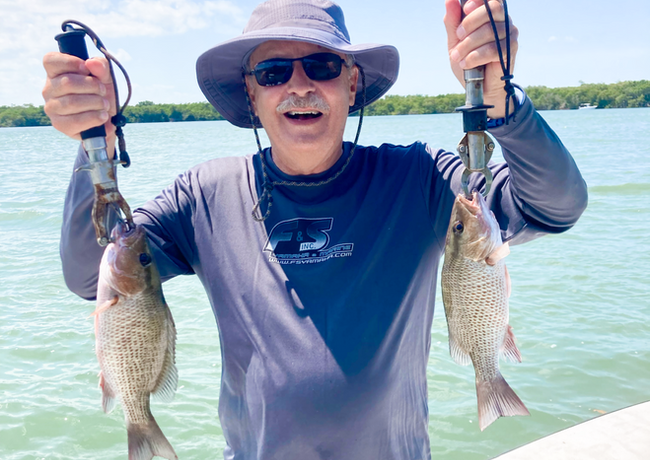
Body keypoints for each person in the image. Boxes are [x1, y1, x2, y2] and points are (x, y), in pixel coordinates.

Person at [42, 0, 588, 458]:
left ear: (352, 85)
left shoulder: (420, 177)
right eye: (274, 73)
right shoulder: (203, 196)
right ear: (252, 96)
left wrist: (501, 106)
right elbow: (91, 277)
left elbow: (555, 206)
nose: (298, 86)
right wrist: (95, 144)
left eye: (323, 67)